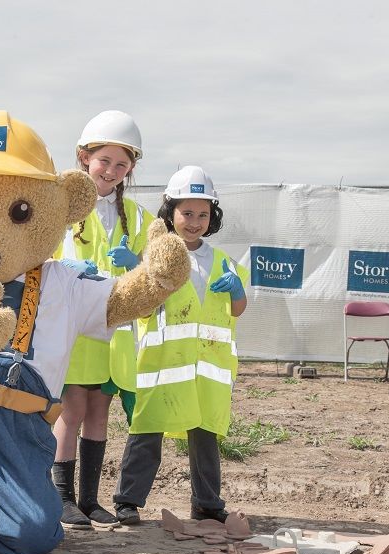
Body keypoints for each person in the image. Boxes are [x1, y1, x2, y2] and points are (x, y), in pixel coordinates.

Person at [112, 165, 249, 525]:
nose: (194, 221)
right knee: (147, 431)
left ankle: (206, 502)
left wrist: (237, 291)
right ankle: (127, 500)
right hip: (164, 365)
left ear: (212, 217)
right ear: (170, 212)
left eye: (203, 214)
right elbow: (139, 300)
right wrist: (136, 268)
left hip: (207, 370)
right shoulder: (156, 254)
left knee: (205, 436)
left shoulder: (222, 263)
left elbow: (238, 309)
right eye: (187, 213)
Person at [52, 111, 154, 530]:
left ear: (131, 168)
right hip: (75, 328)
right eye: (104, 160)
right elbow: (46, 261)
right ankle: (61, 497)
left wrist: (137, 265)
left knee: (98, 411)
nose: (111, 171)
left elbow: (154, 270)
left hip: (115, 335)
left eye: (121, 164)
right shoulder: (60, 205)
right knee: (71, 408)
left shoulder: (141, 217)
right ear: (83, 156)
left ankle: (90, 500)